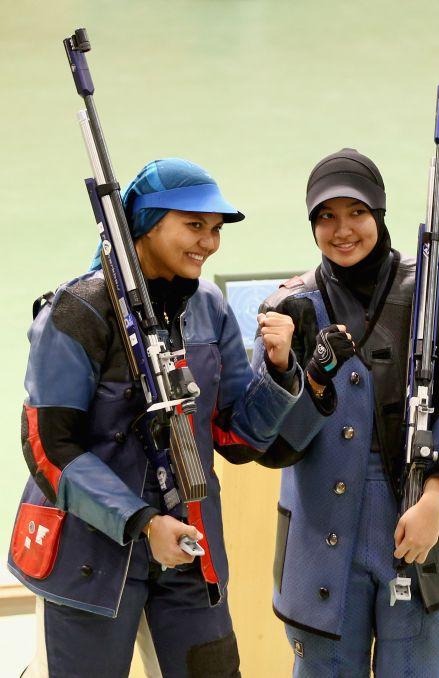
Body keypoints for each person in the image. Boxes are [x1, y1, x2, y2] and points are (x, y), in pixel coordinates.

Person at [8, 158, 303, 678]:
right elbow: (47, 447)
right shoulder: (78, 311)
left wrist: (279, 374)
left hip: (192, 551)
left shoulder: (209, 307)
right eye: (194, 226)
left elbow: (234, 435)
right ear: (146, 224)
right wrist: (142, 523)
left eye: (215, 230)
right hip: (89, 556)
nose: (208, 243)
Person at [254, 149, 439, 677]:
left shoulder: (438, 288)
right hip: (320, 527)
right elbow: (268, 443)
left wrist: (436, 494)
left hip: (421, 514)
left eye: (356, 212)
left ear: (379, 214)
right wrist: (287, 368)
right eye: (326, 216)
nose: (343, 230)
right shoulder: (287, 309)